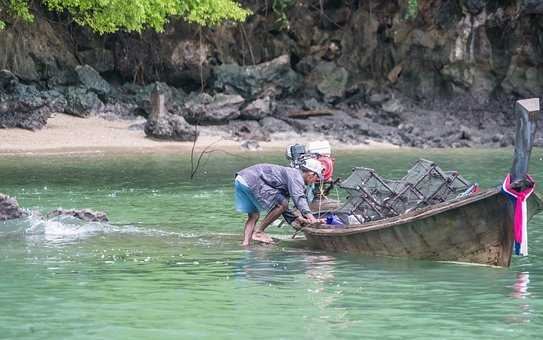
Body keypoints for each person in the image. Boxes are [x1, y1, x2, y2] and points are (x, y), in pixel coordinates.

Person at [234, 159, 324, 245]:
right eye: (316, 178)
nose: (315, 181)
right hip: (252, 179)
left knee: (254, 216)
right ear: (311, 174)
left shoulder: (291, 175)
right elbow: (298, 199)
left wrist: (294, 219)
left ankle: (246, 244)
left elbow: (283, 207)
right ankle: (258, 232)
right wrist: (312, 219)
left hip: (241, 179)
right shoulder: (296, 177)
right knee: (282, 204)